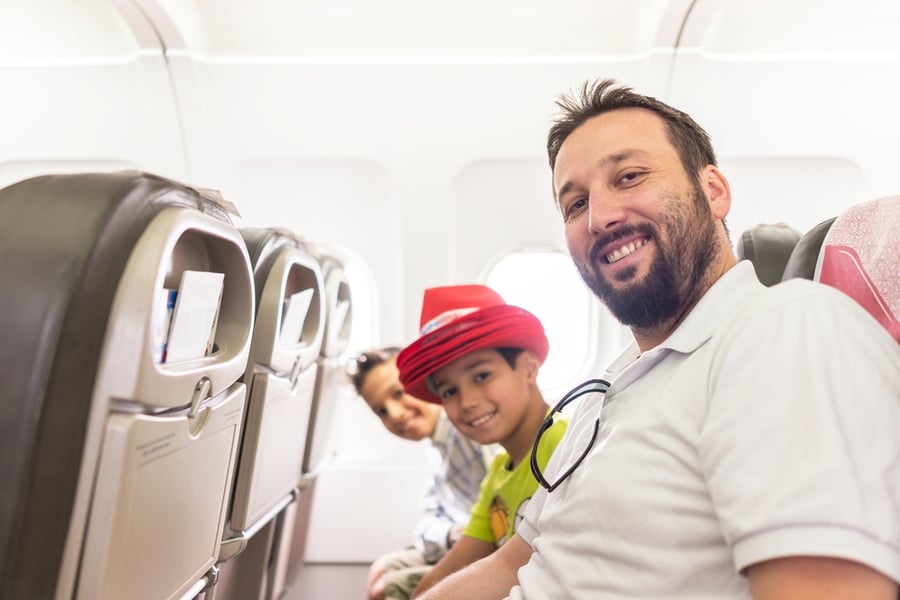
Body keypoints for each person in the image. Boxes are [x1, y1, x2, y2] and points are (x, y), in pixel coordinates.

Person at [416, 79, 900, 599]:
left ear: (713, 190)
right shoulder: (603, 392)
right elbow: (515, 561)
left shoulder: (785, 331)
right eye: (575, 205)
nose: (600, 218)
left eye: (629, 177)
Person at [395, 284, 568, 597]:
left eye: (481, 376)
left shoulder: (564, 447)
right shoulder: (500, 471)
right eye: (449, 391)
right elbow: (454, 565)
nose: (467, 402)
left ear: (528, 368)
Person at [349, 347, 490, 600]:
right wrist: (450, 535)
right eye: (381, 411)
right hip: (457, 540)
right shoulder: (437, 447)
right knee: (381, 568)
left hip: (484, 545)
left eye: (399, 393)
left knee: (385, 589)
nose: (395, 414)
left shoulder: (470, 431)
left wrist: (460, 535)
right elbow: (426, 522)